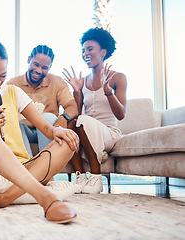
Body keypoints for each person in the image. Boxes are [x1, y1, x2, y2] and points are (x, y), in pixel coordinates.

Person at [0, 40, 79, 223]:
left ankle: (3, 198)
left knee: (67, 141)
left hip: (20, 165)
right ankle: (47, 199)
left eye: (2, 75)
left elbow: (44, 127)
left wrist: (56, 131)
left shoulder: (14, 92)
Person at [62, 27, 127, 194]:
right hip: (86, 132)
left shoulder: (117, 77)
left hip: (109, 134)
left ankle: (96, 178)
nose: (85, 53)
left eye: (90, 49)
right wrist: (77, 91)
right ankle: (81, 177)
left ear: (103, 52)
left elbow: (121, 115)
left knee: (82, 121)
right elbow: (76, 113)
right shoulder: (82, 81)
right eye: (83, 50)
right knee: (70, 122)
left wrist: (108, 92)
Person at [8, 45, 78, 158]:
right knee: (12, 120)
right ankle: (26, 164)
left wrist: (64, 117)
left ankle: (46, 164)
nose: (39, 70)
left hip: (49, 129)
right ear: (28, 59)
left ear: (50, 67)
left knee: (48, 117)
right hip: (25, 131)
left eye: (44, 67)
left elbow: (72, 106)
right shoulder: (13, 84)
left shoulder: (56, 82)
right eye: (36, 64)